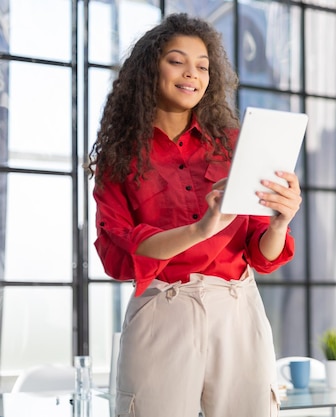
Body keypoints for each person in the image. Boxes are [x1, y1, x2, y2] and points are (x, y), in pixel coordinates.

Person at [88, 13, 301, 417]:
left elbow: (262, 255)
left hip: (238, 308)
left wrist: (280, 222)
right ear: (150, 68)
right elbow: (121, 253)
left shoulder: (235, 144)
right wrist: (202, 229)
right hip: (162, 311)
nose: (192, 74)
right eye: (176, 61)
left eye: (202, 66)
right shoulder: (119, 157)